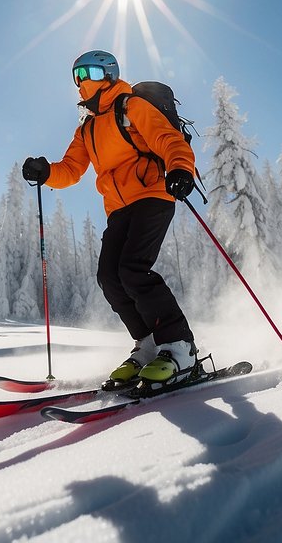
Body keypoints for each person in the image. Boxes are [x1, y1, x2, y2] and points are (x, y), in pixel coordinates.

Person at [22, 49, 199, 391]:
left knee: (133, 269)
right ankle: (148, 346)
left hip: (153, 194)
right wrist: (46, 173)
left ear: (109, 73)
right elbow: (71, 170)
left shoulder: (132, 106)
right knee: (110, 277)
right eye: (77, 75)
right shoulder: (87, 127)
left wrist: (180, 168)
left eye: (89, 71)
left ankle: (180, 348)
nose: (82, 81)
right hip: (118, 208)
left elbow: (168, 139)